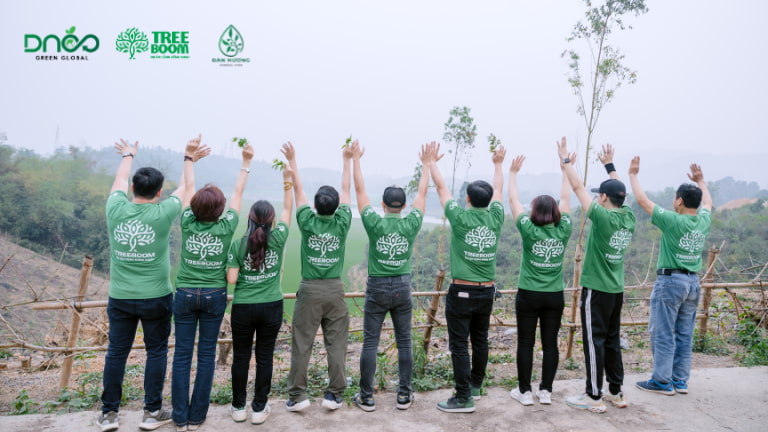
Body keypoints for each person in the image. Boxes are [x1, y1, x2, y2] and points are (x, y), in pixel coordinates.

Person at [100, 136, 202, 432]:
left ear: (132, 188)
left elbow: (119, 179)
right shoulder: (163, 211)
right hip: (156, 296)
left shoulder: (114, 207)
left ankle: (109, 414)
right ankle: (152, 411)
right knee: (156, 352)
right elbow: (186, 189)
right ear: (159, 192)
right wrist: (189, 159)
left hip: (120, 296)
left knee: (116, 352)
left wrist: (128, 155)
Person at [171, 141, 252, 431]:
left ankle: (179, 416)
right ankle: (197, 417)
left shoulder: (187, 221)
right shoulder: (227, 225)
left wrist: (189, 158)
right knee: (206, 355)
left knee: (182, 354)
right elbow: (238, 194)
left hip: (184, 293)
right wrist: (246, 163)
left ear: (194, 206)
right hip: (214, 294)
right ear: (220, 209)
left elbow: (189, 186)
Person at [349, 140, 432, 412]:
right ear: (404, 205)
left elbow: (359, 191)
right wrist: (427, 165)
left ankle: (367, 397)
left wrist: (356, 159)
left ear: (383, 205)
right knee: (404, 341)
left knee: (370, 343)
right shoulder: (411, 223)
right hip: (402, 286)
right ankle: (404, 396)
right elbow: (422, 194)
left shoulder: (374, 222)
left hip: (377, 286)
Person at [424, 142, 505, 413]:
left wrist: (431, 163)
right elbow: (499, 190)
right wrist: (498, 165)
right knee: (480, 340)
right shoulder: (496, 217)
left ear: (467, 199)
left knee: (459, 345)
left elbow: (441, 189)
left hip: (461, 293)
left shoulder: (459, 216)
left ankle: (463, 398)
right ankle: (475, 387)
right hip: (486, 292)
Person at [558, 141, 636, 413]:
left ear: (603, 197)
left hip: (596, 290)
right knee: (612, 340)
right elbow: (620, 192)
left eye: (599, 195)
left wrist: (566, 162)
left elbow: (577, 187)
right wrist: (610, 166)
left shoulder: (602, 217)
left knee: (594, 342)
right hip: (615, 289)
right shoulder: (628, 216)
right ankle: (616, 391)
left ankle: (593, 396)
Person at [629, 158, 712, 396]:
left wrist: (633, 175)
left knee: (663, 333)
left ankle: (662, 381)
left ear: (679, 201)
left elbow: (643, 201)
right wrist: (701, 181)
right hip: (693, 283)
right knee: (684, 335)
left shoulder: (672, 220)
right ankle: (680, 381)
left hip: (670, 282)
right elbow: (708, 202)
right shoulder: (703, 221)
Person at [226, 142, 295, 425]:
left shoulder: (239, 244)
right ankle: (259, 408)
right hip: (271, 306)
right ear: (272, 221)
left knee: (241, 357)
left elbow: (231, 279)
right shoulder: (278, 238)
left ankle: (238, 407)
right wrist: (287, 180)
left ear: (250, 219)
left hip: (243, 307)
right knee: (265, 357)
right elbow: (288, 207)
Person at [285, 142, 353, 412]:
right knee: (336, 345)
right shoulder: (343, 221)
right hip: (335, 290)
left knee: (302, 344)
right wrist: (347, 160)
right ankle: (334, 395)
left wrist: (292, 161)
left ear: (314, 205)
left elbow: (298, 190)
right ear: (337, 207)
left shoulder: (307, 220)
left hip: (309, 290)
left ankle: (298, 396)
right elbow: (346, 190)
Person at [507, 147, 573, 407]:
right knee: (550, 344)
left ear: (534, 211)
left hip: (528, 294)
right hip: (554, 295)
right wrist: (565, 169)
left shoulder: (529, 230)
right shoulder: (563, 229)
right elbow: (565, 198)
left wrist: (513, 173)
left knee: (526, 343)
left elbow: (513, 200)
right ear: (555, 212)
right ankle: (545, 391)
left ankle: (524, 392)